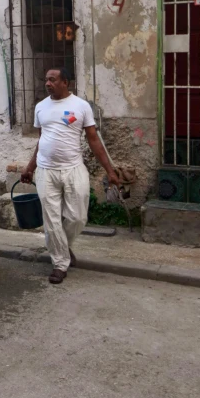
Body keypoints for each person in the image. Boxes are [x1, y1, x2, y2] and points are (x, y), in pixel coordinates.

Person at [21, 68, 121, 284]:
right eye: (46, 79)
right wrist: (30, 167)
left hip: (73, 169)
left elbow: (94, 140)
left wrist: (110, 171)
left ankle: (62, 247)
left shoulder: (81, 106)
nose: (47, 83)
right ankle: (60, 264)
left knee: (77, 217)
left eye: (52, 80)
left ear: (65, 82)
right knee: (52, 220)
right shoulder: (40, 107)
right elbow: (42, 140)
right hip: (46, 171)